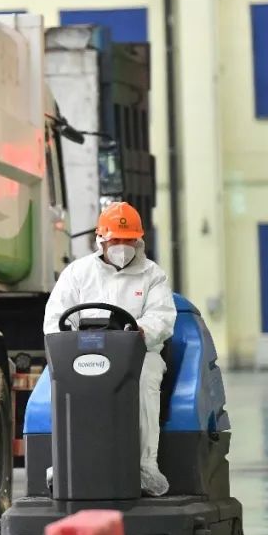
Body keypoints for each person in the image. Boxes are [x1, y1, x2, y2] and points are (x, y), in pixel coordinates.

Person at [43, 202, 176, 496]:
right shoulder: (77, 273)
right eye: (116, 240)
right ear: (101, 239)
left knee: (145, 380)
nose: (122, 247)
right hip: (83, 353)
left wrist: (139, 332)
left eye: (128, 240)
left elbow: (162, 317)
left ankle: (145, 467)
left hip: (139, 355)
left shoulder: (152, 275)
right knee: (66, 384)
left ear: (138, 240)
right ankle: (67, 463)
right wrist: (72, 343)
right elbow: (55, 319)